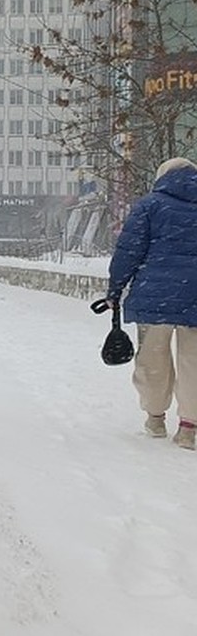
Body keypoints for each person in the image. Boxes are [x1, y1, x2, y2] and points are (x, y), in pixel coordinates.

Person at [106, 157, 197, 450]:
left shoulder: (149, 206)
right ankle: (188, 428)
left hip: (154, 294)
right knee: (194, 362)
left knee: (153, 357)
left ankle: (156, 417)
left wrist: (115, 288)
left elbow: (129, 250)